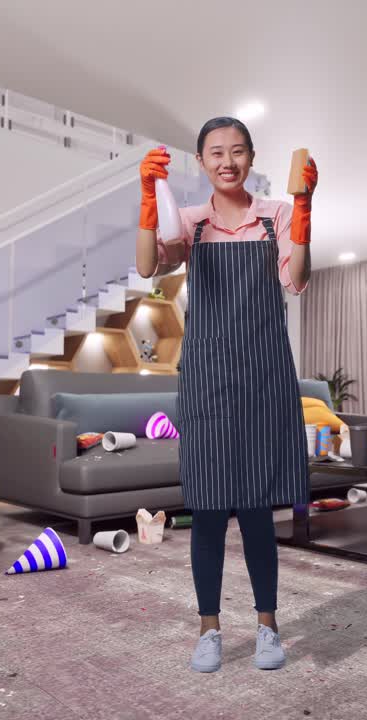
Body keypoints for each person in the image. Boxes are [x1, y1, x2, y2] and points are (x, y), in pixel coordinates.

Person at [135, 117, 317, 672]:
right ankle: (209, 630)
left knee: (257, 509)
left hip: (264, 377)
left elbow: (296, 279)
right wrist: (148, 201)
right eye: (216, 152)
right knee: (209, 509)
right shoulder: (191, 223)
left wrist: (304, 210)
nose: (227, 162)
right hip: (208, 381)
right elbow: (147, 265)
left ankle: (268, 627)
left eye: (237, 151)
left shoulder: (274, 216)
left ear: (251, 157)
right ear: (201, 161)